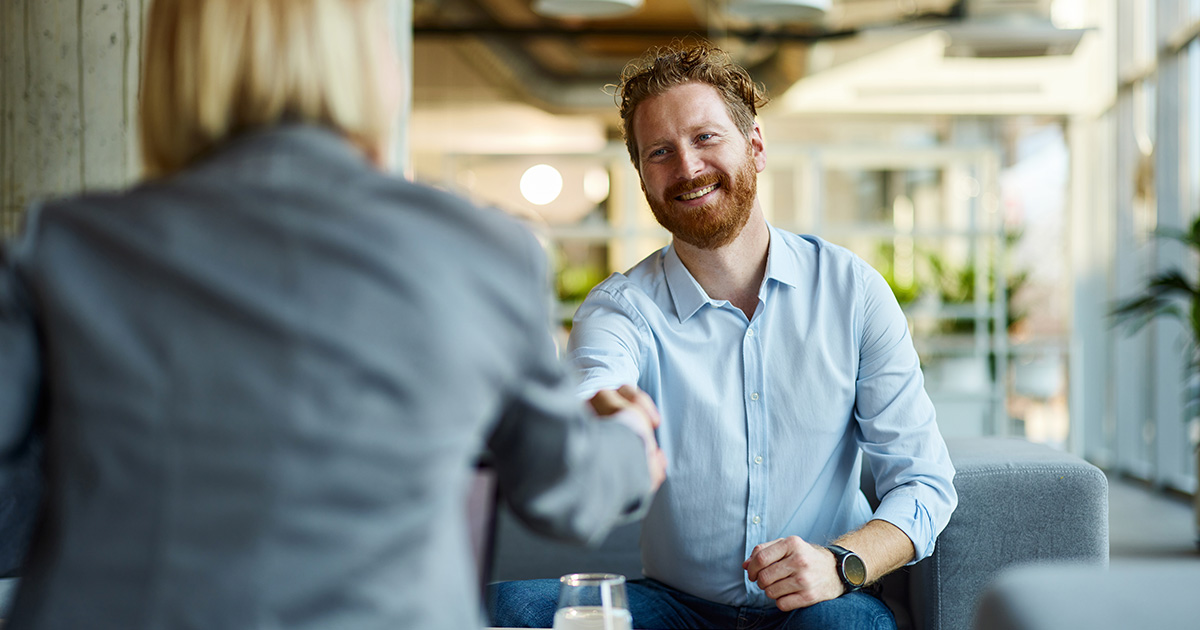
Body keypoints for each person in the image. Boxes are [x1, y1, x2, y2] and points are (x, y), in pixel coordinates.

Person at [0, 1, 666, 628]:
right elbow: (567, 492)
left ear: (170, 67)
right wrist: (631, 437)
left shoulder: (63, 249)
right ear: (368, 64)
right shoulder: (475, 252)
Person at [489, 42, 958, 630]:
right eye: (660, 152)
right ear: (642, 177)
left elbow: (923, 482)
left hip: (820, 603)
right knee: (509, 608)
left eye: (705, 137)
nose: (687, 168)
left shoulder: (852, 291)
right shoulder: (622, 308)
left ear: (755, 145)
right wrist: (603, 416)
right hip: (676, 609)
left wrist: (840, 564)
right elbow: (595, 382)